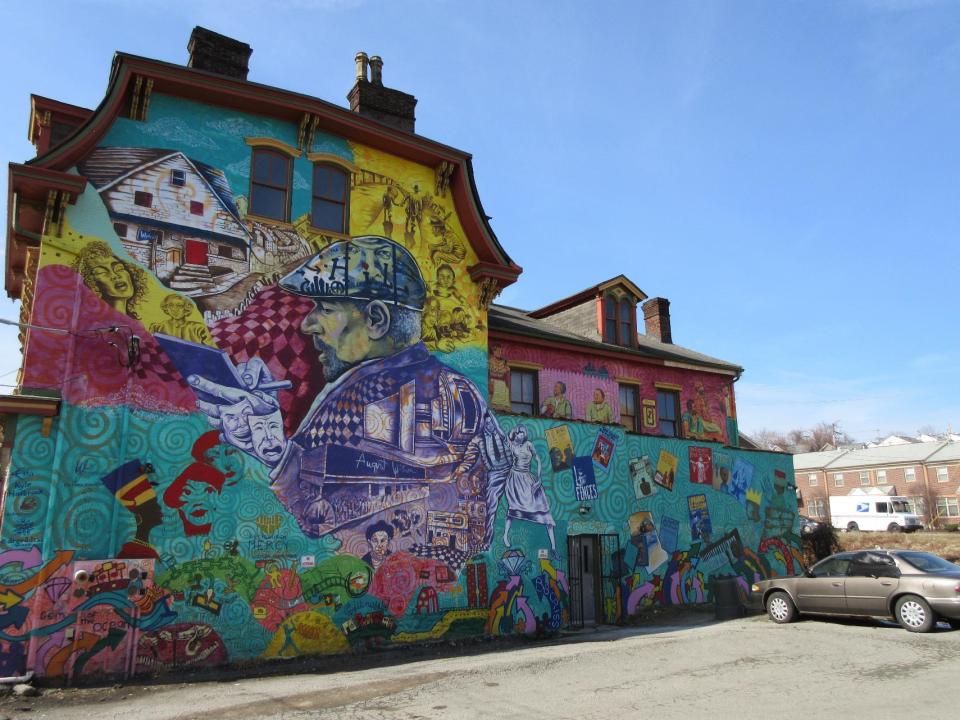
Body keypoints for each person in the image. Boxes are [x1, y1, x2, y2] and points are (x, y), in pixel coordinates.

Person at [187, 236, 491, 557]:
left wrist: (279, 456)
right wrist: (273, 449)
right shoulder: (445, 385)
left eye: (326, 308)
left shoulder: (375, 398)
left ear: (376, 320)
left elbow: (329, 518)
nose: (308, 324)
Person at [503, 424, 556, 550]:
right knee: (513, 508)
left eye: (522, 433)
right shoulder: (511, 445)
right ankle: (505, 535)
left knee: (541, 505)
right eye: (518, 433)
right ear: (514, 434)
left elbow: (537, 460)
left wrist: (539, 479)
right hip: (515, 478)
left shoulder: (529, 444)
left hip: (528, 477)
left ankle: (553, 546)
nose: (521, 435)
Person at [99, 459, 162, 559]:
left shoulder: (144, 548)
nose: (160, 509)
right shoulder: (134, 552)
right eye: (153, 506)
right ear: (138, 517)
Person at [72, 240, 148, 320]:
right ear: (90, 283)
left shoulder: (135, 324)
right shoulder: (93, 323)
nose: (114, 275)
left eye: (119, 268)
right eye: (101, 272)